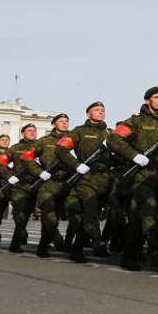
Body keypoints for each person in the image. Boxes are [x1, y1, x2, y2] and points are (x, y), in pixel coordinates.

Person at [108, 87, 158, 271]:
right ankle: (134, 255)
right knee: (144, 214)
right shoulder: (135, 121)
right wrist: (133, 156)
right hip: (143, 177)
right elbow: (114, 140)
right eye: (156, 97)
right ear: (147, 100)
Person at [56, 102, 114, 263]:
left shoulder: (109, 133)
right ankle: (97, 240)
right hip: (86, 177)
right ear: (89, 114)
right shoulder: (79, 131)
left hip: (106, 178)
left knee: (92, 215)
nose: (101, 112)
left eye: (103, 110)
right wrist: (76, 165)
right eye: (96, 110)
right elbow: (60, 148)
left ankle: (77, 249)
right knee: (90, 209)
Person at [18, 113, 72, 257]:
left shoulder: (73, 139)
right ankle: (53, 237)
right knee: (49, 211)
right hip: (47, 182)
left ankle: (44, 245)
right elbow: (26, 157)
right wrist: (39, 172)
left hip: (66, 182)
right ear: (54, 124)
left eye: (66, 121)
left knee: (56, 214)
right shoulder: (44, 141)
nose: (65, 123)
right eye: (61, 121)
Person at [6, 124, 40, 253]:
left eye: (34, 131)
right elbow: (0, 164)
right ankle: (19, 236)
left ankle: (16, 243)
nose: (32, 133)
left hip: (35, 185)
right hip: (19, 185)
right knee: (19, 212)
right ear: (23, 133)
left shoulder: (39, 147)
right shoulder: (14, 149)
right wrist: (10, 177)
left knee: (26, 214)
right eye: (29, 131)